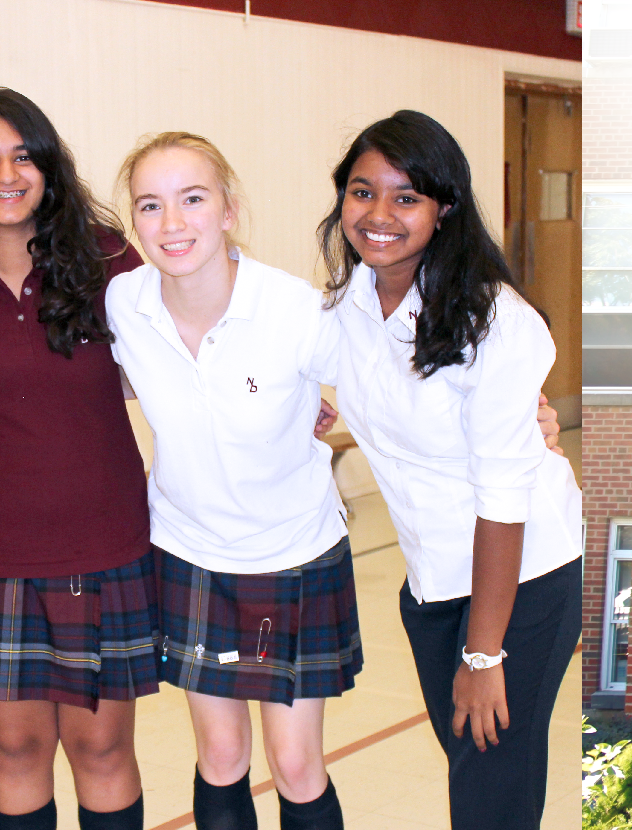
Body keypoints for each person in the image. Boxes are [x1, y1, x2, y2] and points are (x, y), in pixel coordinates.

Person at [315, 110, 588, 830]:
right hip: (433, 579)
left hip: (521, 579)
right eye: (362, 191)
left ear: (444, 210)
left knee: (488, 797)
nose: (379, 214)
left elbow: (505, 502)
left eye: (406, 198)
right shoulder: (346, 308)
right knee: (482, 775)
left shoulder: (494, 323)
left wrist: (484, 653)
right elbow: (268, 362)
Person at [0, 88, 156, 830]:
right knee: (14, 749)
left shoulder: (108, 259)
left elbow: (181, 361)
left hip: (103, 543)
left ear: (48, 168)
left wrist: (280, 401)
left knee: (102, 746)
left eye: (24, 156)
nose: (6, 173)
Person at [107, 132, 355, 830]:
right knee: (220, 753)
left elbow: (391, 385)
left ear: (229, 210)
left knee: (297, 762)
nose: (173, 223)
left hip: (295, 558)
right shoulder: (126, 304)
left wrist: (526, 418)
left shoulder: (294, 309)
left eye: (193, 199)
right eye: (151, 206)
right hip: (190, 557)